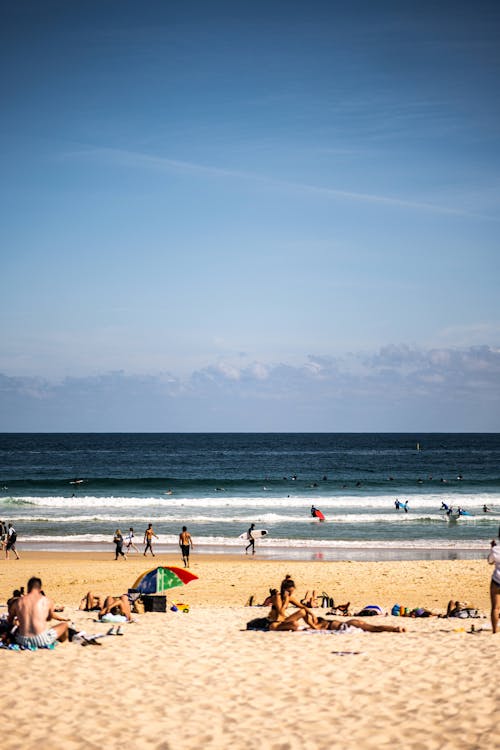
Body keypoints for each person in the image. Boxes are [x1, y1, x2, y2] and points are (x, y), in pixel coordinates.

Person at [7, 577, 69, 648]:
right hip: (41, 639)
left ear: (28, 588)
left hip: (22, 640)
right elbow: (48, 619)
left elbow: (10, 619)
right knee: (64, 625)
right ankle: (64, 644)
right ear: (40, 589)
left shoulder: (19, 602)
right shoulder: (47, 601)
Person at [487, 539, 500, 634]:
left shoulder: (496, 549)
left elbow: (490, 561)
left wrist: (492, 548)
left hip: (497, 579)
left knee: (495, 607)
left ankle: (495, 630)